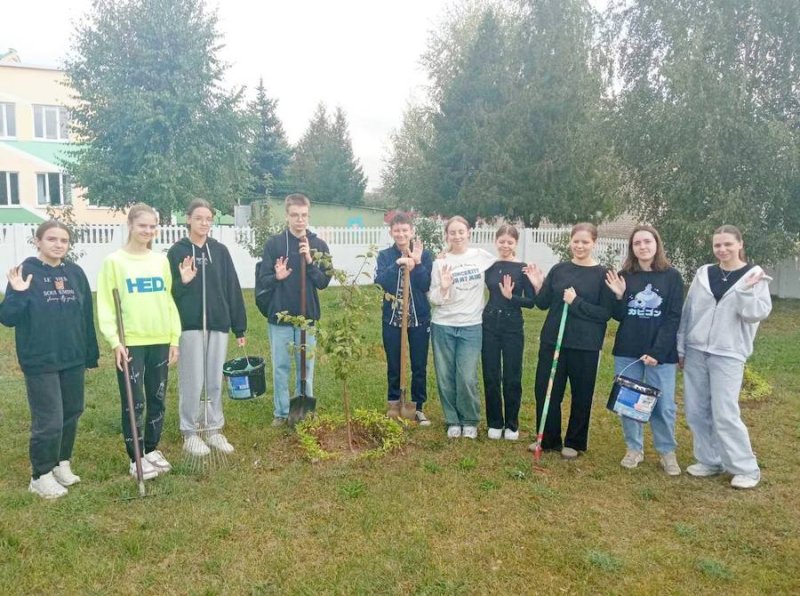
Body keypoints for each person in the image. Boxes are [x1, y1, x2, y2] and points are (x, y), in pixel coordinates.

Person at [0, 221, 99, 499]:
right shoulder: (25, 271)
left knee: (72, 412)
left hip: (72, 357)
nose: (58, 244)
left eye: (64, 240)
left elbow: (85, 316)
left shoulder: (75, 273)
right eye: (52, 239)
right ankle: (40, 475)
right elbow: (7, 318)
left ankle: (60, 463)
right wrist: (19, 293)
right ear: (38, 241)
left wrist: (89, 354)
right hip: (41, 359)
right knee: (50, 419)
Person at [677, 225, 771, 489]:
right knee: (696, 411)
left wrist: (744, 291)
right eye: (717, 245)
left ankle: (746, 468)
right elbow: (689, 311)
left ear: (740, 244)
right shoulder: (704, 273)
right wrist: (681, 346)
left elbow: (756, 314)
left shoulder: (754, 276)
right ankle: (710, 460)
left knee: (725, 413)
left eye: (728, 244)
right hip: (696, 351)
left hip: (728, 354)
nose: (722, 249)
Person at [97, 203, 181, 480]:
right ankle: (136, 457)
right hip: (131, 341)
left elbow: (168, 300)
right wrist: (114, 341)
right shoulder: (114, 262)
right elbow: (106, 305)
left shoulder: (160, 261)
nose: (148, 230)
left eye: (152, 226)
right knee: (134, 401)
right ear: (130, 225)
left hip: (160, 337)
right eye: (142, 225)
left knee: (157, 397)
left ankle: (152, 448)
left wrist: (174, 338)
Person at [525, 222, 614, 459]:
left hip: (585, 345)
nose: (580, 246)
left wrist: (576, 303)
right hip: (553, 340)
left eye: (585, 242)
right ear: (570, 242)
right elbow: (542, 303)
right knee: (546, 390)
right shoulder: (559, 269)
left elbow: (605, 313)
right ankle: (548, 438)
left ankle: (574, 441)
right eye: (576, 241)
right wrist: (537, 285)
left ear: (594, 243)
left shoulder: (602, 275)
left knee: (581, 394)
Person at [167, 199, 247, 457]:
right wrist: (183, 281)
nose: (204, 223)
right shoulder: (177, 251)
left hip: (218, 323)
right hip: (190, 325)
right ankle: (190, 431)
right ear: (188, 219)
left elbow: (232, 287)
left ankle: (213, 428)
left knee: (214, 379)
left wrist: (239, 327)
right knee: (192, 379)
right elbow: (169, 293)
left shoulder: (220, 251)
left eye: (208, 219)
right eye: (199, 218)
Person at [605, 225, 683, 475]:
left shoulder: (672, 277)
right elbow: (618, 316)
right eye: (637, 243)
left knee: (664, 405)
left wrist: (657, 352)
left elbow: (673, 317)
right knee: (629, 401)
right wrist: (619, 296)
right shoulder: (625, 275)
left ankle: (666, 451)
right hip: (628, 349)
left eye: (647, 241)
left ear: (656, 244)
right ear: (632, 248)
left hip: (661, 353)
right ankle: (634, 449)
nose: (643, 246)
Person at [255, 193, 332, 426]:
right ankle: (281, 412)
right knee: (281, 366)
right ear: (287, 216)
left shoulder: (318, 246)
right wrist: (276, 277)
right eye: (295, 215)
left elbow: (323, 282)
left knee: (305, 365)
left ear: (308, 215)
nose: (300, 220)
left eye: (304, 215)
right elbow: (263, 279)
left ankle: (304, 410)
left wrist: (309, 261)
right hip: (280, 315)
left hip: (307, 316)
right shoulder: (274, 244)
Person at [429, 216, 496, 439]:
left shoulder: (481, 256)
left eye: (461, 231)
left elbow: (505, 261)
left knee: (467, 376)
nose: (457, 236)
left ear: (469, 233)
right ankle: (452, 420)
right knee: (445, 376)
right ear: (446, 235)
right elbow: (434, 298)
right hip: (443, 324)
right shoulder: (440, 263)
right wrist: (444, 287)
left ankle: (470, 419)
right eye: (452, 232)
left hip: (471, 325)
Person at [375, 212, 433, 426]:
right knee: (394, 362)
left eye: (405, 230)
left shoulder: (425, 255)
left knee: (419, 364)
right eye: (397, 230)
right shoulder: (384, 256)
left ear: (412, 231)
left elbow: (426, 284)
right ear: (391, 232)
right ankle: (394, 403)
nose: (401, 234)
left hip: (419, 319)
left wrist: (416, 263)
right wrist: (398, 264)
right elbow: (381, 283)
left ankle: (417, 406)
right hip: (393, 318)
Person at [482, 225, 536, 441]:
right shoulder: (489, 265)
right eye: (502, 241)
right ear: (496, 241)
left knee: (512, 376)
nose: (505, 245)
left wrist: (511, 297)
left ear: (516, 244)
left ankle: (512, 424)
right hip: (489, 323)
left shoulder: (522, 269)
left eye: (510, 242)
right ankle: (495, 422)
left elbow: (531, 302)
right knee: (491, 374)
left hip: (512, 325)